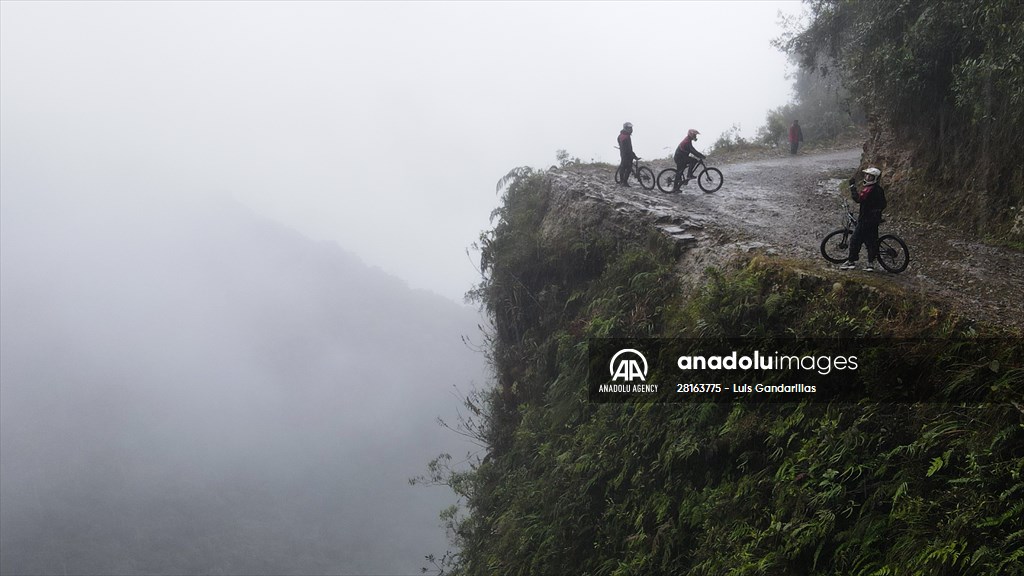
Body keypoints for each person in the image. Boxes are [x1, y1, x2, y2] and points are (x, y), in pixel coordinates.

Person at [840, 167, 887, 271]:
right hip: (875, 220)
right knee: (871, 241)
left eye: (870, 176)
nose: (867, 177)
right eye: (867, 175)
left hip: (865, 220)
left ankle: (851, 262)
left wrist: (852, 186)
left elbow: (858, 199)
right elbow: (884, 204)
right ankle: (870, 264)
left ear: (874, 178)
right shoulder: (879, 189)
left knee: (855, 240)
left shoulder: (868, 189)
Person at [617, 122, 638, 187]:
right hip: (626, 155)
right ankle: (624, 182)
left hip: (623, 154)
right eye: (629, 128)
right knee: (628, 168)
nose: (631, 129)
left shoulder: (621, 135)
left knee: (623, 167)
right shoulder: (626, 137)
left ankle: (621, 181)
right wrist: (633, 155)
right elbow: (628, 148)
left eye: (631, 128)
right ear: (626, 128)